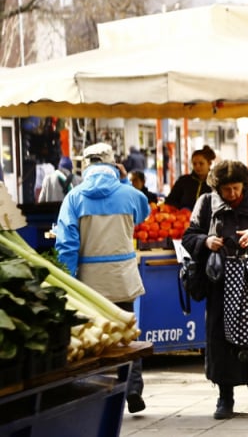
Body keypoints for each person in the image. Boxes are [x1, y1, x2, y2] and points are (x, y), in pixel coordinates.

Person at [181, 160, 248, 420]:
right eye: (226, 190)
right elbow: (189, 236)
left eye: (236, 188)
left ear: (244, 185)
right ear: (218, 189)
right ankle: (224, 396)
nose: (232, 194)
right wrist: (206, 241)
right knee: (221, 339)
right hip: (220, 283)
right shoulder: (206, 203)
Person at [55, 142, 151, 414]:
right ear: (112, 164)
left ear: (85, 166)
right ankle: (132, 388)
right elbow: (144, 213)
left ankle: (104, 395)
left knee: (96, 342)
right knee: (127, 337)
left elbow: (67, 245)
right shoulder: (130, 194)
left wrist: (68, 281)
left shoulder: (74, 198)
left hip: (90, 284)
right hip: (123, 279)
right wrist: (122, 179)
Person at [165, 145, 216, 211]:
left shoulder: (217, 182)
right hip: (184, 218)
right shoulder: (183, 181)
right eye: (194, 164)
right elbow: (170, 201)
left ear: (209, 163)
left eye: (201, 163)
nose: (197, 167)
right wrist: (181, 209)